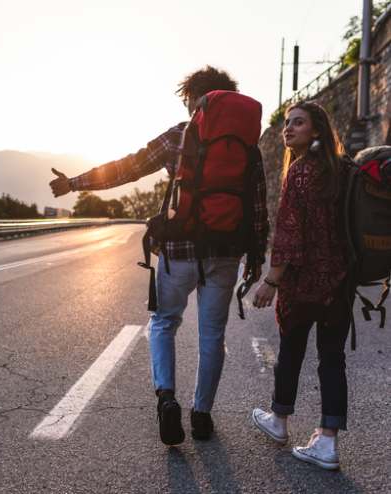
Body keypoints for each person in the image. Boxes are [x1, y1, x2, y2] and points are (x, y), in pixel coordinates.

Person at [49, 66, 269, 445]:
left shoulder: (180, 136)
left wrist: (74, 183)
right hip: (226, 252)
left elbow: (129, 168)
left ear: (194, 98)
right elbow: (258, 205)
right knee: (212, 336)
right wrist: (256, 258)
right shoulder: (247, 144)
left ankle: (166, 397)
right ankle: (202, 416)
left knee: (165, 322)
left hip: (180, 248)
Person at [251, 101, 351, 470]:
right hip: (338, 283)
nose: (288, 129)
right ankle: (327, 441)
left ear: (317, 130)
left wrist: (270, 281)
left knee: (291, 351)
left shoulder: (300, 172)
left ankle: (279, 421)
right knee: (332, 359)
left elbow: (289, 233)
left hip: (302, 283)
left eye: (298, 123)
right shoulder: (342, 171)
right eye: (287, 123)